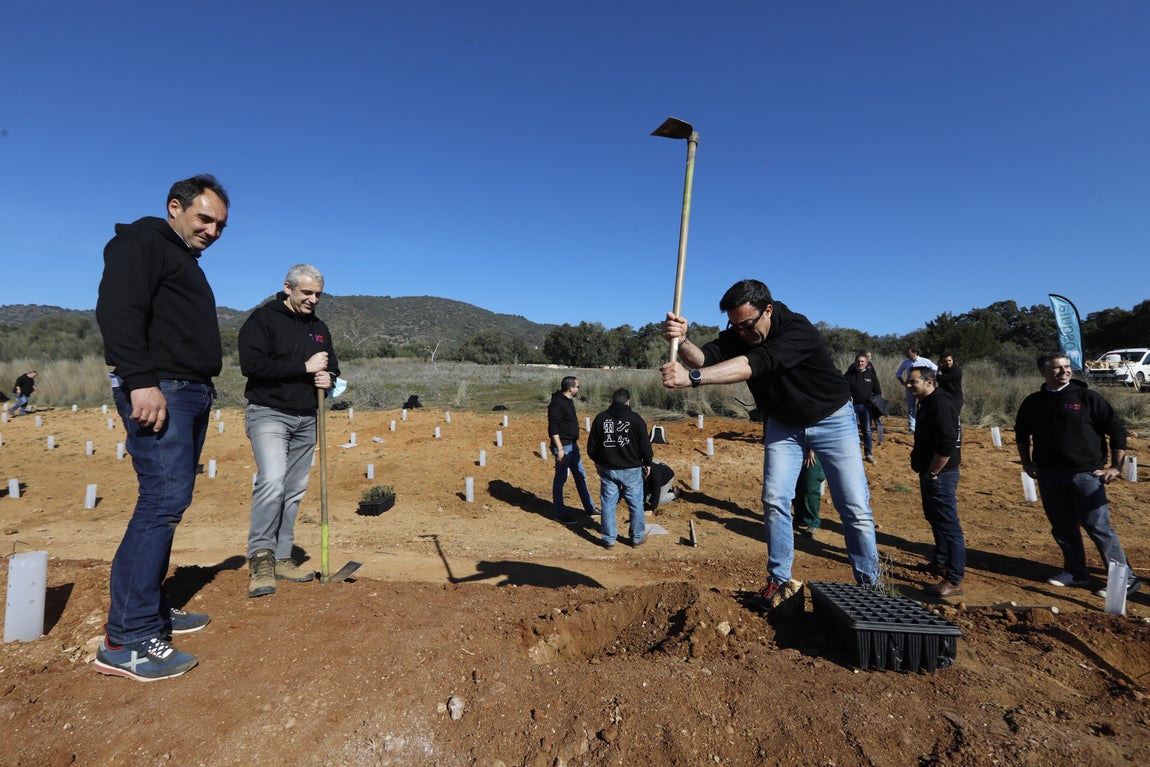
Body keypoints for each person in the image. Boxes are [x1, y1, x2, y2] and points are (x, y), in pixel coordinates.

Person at [660, 279, 881, 607]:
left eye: (746, 324)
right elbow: (704, 358)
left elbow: (753, 365)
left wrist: (691, 380)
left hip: (832, 419)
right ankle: (780, 583)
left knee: (854, 507)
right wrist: (684, 339)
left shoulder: (797, 330)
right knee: (775, 500)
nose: (741, 332)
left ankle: (871, 587)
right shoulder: (741, 331)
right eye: (734, 325)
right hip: (783, 424)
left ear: (768, 310)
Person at [91, 175, 229, 681]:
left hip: (186, 389)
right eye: (204, 218)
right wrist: (141, 381)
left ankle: (149, 607)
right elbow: (118, 311)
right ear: (176, 207)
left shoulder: (179, 256)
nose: (212, 230)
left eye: (220, 224)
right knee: (161, 501)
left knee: (170, 502)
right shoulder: (143, 242)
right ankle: (125, 638)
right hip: (161, 390)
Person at [239, 264, 339, 598]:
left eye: (318, 294)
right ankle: (261, 558)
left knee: (294, 488)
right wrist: (304, 369)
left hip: (306, 417)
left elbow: (332, 368)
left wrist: (330, 379)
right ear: (288, 288)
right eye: (307, 293)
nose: (313, 300)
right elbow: (251, 367)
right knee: (272, 480)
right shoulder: (262, 320)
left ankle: (283, 557)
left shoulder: (320, 328)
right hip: (268, 413)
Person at [1015, 353, 1141, 597]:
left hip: (1086, 477)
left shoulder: (1088, 398)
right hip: (1050, 476)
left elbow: (1116, 429)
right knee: (1062, 527)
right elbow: (1022, 434)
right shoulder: (1033, 402)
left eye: (1066, 366)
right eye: (1057, 368)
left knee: (1098, 527)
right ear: (1043, 372)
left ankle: (1125, 579)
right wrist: (1027, 463)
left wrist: (1116, 466)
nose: (1064, 371)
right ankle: (1075, 572)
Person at [906, 366, 965, 598]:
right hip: (931, 472)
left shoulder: (940, 404)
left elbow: (947, 444)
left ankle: (954, 579)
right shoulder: (928, 402)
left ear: (929, 382)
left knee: (949, 524)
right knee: (935, 517)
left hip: (941, 474)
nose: (909, 385)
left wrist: (933, 473)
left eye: (913, 382)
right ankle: (940, 562)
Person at [587, 388, 654, 548]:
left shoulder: (601, 419)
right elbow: (645, 445)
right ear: (628, 401)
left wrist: (597, 461)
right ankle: (637, 538)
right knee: (636, 503)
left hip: (608, 469)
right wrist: (648, 462)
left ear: (612, 401)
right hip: (631, 469)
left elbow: (591, 447)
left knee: (608, 504)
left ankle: (609, 540)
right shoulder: (636, 419)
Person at [547, 376, 597, 523]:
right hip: (563, 446)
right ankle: (560, 513)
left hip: (572, 445)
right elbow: (553, 428)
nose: (578, 388)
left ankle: (589, 508)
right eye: (577, 386)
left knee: (580, 475)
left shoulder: (568, 401)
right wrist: (560, 449)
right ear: (571, 388)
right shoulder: (556, 403)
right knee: (560, 479)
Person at [844, 352, 882, 462]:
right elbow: (843, 388)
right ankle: (854, 453)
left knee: (867, 430)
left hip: (867, 407)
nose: (860, 363)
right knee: (852, 431)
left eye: (862, 361)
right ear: (855, 362)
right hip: (852, 407)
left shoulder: (871, 375)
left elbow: (878, 391)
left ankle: (868, 453)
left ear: (866, 363)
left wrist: (873, 401)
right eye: (858, 361)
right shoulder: (849, 375)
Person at [895, 347, 936, 432]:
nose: (906, 354)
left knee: (926, 406)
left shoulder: (925, 361)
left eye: (908, 352)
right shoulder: (906, 362)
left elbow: (936, 369)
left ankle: (927, 425)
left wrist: (931, 383)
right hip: (910, 388)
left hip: (924, 388)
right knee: (911, 407)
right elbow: (898, 374)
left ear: (915, 352)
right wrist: (904, 384)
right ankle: (912, 428)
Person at [792, 449, 825, 538]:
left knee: (810, 487)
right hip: (796, 449)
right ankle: (799, 518)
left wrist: (812, 449)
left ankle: (812, 522)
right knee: (796, 486)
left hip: (813, 450)